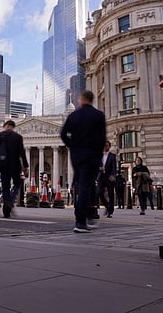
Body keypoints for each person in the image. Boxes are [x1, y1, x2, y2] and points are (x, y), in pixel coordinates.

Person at [61, 90, 106, 233]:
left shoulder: (73, 115)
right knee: (86, 187)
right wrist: (98, 156)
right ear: (92, 100)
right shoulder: (98, 115)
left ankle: (86, 218)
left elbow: (63, 134)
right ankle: (81, 222)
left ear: (81, 100)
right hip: (91, 155)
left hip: (76, 156)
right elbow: (102, 139)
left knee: (82, 185)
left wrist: (71, 146)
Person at [0, 120, 29, 218]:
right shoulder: (18, 137)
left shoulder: (1, 135)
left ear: (6, 126)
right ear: (13, 126)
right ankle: (11, 200)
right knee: (17, 184)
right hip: (15, 165)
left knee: (5, 187)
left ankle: (6, 209)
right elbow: (22, 153)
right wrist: (26, 166)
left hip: (3, 166)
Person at [97, 141, 117, 218]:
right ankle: (107, 206)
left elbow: (114, 167)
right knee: (99, 192)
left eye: (107, 145)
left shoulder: (112, 156)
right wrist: (99, 169)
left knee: (111, 194)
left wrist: (113, 175)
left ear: (109, 146)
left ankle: (110, 211)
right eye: (104, 145)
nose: (105, 147)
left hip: (109, 177)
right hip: (101, 176)